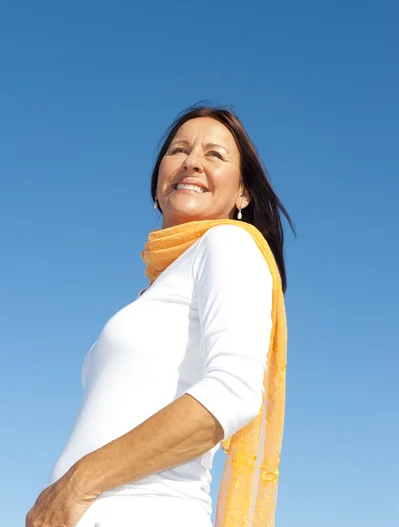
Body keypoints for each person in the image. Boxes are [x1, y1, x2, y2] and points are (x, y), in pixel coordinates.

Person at [26, 105, 294, 527]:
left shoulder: (228, 244)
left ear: (243, 193)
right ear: (157, 185)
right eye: (179, 150)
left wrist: (77, 485)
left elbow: (234, 391)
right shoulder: (150, 294)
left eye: (215, 155)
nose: (192, 161)